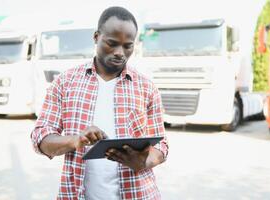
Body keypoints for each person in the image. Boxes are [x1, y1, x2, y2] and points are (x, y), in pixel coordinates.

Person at [31, 6, 169, 200]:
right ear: (96, 37)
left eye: (128, 46)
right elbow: (40, 139)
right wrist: (76, 140)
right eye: (112, 43)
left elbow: (161, 145)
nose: (120, 52)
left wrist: (144, 161)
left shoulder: (146, 87)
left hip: (139, 194)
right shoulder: (65, 82)